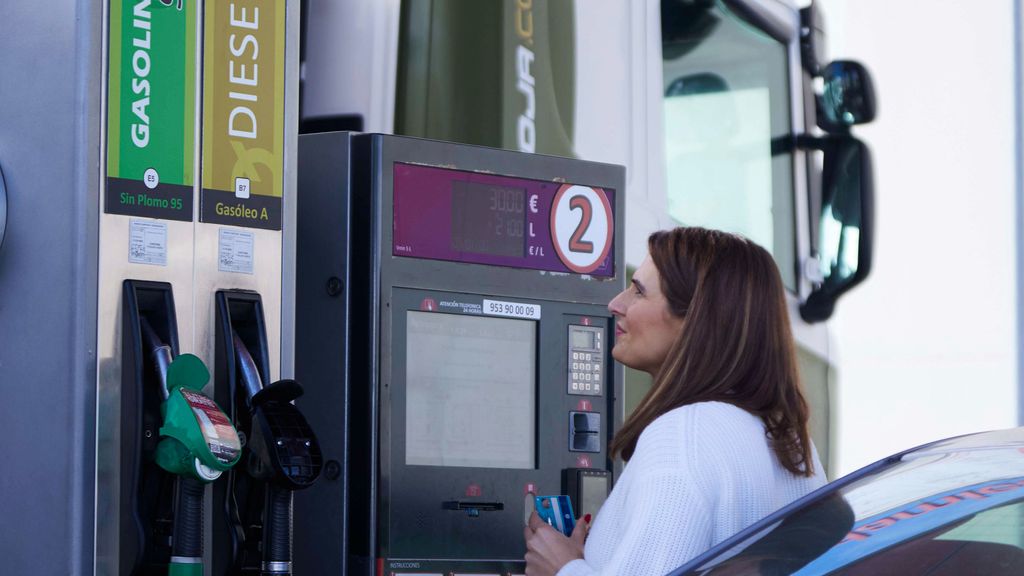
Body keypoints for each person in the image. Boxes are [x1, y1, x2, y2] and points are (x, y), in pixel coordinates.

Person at [524, 227, 827, 575]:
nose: (615, 304)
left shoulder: (685, 433)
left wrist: (562, 568)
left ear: (696, 320)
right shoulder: (791, 444)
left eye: (638, 292)